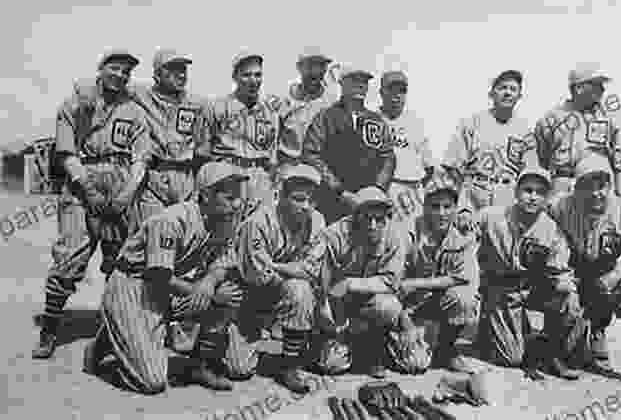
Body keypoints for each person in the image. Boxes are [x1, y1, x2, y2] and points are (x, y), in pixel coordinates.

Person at [83, 161, 251, 394]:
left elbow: (224, 262)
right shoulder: (172, 220)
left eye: (238, 197)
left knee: (228, 291)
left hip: (168, 287)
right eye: (229, 197)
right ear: (205, 196)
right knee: (152, 381)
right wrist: (200, 291)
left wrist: (209, 284)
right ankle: (104, 342)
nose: (237, 204)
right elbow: (157, 276)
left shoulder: (223, 220)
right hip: (133, 285)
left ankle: (199, 366)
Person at [32, 50, 150, 359]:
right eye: (115, 68)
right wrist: (88, 188)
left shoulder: (134, 110)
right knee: (70, 257)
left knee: (120, 261)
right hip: (82, 183)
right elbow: (67, 154)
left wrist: (127, 193)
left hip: (120, 181)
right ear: (100, 69)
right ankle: (49, 328)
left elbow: (141, 158)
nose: (121, 75)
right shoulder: (77, 104)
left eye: (126, 71)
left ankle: (112, 329)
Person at [548, 155, 621, 394]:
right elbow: (540, 224)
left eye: (602, 185)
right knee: (570, 357)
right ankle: (565, 340)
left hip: (606, 278)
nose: (596, 193)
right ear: (576, 189)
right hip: (574, 274)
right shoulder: (560, 206)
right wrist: (562, 275)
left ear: (609, 186)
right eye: (588, 186)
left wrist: (616, 276)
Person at [476, 167, 585, 380]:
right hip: (500, 289)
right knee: (512, 358)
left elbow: (560, 269)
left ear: (547, 197)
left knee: (569, 298)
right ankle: (490, 327)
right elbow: (466, 223)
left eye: (540, 192)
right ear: (516, 192)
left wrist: (564, 286)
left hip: (531, 286)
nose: (533, 197)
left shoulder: (550, 229)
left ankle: (552, 350)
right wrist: (464, 215)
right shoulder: (493, 216)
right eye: (527, 190)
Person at [235, 163, 324, 393]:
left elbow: (312, 271)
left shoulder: (317, 220)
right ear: (281, 196)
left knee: (301, 290)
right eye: (298, 199)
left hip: (280, 289)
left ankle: (289, 365)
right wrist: (293, 270)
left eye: (311, 200)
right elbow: (259, 276)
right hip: (248, 296)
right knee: (239, 369)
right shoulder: (258, 223)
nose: (306, 207)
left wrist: (276, 265)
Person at [300, 186, 406, 378]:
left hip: (366, 304)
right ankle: (324, 341)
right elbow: (312, 275)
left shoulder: (395, 236)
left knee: (389, 306)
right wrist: (323, 306)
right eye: (367, 218)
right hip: (333, 304)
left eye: (379, 219)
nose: (373, 225)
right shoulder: (332, 235)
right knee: (331, 366)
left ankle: (371, 347)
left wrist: (350, 284)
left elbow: (391, 282)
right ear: (355, 215)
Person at [402, 167, 480, 373]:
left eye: (448, 206)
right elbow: (394, 280)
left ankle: (446, 351)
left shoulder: (463, 235)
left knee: (465, 298)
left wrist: (417, 283)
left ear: (456, 207)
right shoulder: (409, 231)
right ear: (424, 206)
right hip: (409, 303)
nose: (442, 213)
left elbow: (462, 278)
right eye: (435, 206)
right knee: (415, 365)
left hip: (438, 299)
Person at [302, 66, 396, 224]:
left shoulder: (376, 121)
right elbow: (311, 154)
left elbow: (388, 157)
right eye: (354, 80)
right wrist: (339, 191)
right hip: (332, 202)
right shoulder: (326, 117)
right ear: (342, 84)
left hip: (369, 202)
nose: (360, 85)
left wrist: (377, 190)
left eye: (364, 82)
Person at [129, 48, 213, 224]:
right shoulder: (140, 95)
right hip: (153, 176)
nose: (181, 75)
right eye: (173, 69)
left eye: (183, 69)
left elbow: (203, 150)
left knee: (184, 233)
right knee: (152, 232)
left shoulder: (198, 104)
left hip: (186, 176)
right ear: (157, 75)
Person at [201, 51, 285, 213]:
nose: (253, 81)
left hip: (259, 176)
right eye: (246, 75)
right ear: (235, 77)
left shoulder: (270, 111)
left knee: (260, 225)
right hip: (228, 173)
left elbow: (272, 155)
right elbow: (203, 150)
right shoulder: (218, 107)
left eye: (258, 75)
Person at [442, 70, 537, 212]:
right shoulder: (472, 123)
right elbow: (453, 168)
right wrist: (462, 203)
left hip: (507, 195)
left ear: (519, 96)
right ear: (491, 94)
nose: (507, 93)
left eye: (513, 89)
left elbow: (530, 172)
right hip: (474, 192)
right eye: (502, 88)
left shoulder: (525, 131)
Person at [534, 63, 621, 198]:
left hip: (598, 188)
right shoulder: (551, 119)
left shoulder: (611, 117)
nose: (603, 89)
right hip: (563, 186)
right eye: (597, 84)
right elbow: (542, 158)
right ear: (579, 88)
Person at [377, 70, 437, 236]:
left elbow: (429, 166)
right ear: (381, 92)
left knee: (413, 238)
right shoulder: (372, 119)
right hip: (385, 189)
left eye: (401, 91)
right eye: (391, 90)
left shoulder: (415, 122)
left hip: (413, 189)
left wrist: (417, 191)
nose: (396, 96)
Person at [278, 46, 339, 166]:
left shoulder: (331, 101)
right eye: (310, 66)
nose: (316, 71)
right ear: (299, 68)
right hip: (287, 166)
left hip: (319, 167)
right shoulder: (283, 98)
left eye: (321, 66)